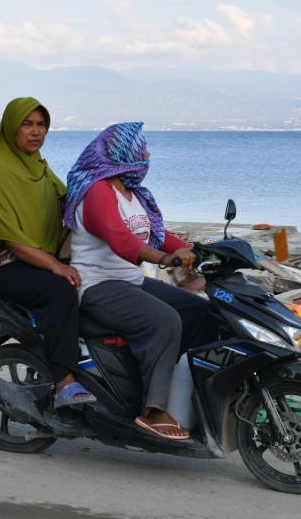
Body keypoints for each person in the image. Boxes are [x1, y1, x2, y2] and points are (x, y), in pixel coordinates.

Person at [64, 122, 218, 440]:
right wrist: (165, 259)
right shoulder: (98, 191)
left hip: (130, 281)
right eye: (141, 148)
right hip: (98, 285)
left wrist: (197, 250)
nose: (147, 154)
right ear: (123, 152)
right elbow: (121, 240)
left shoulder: (132, 192)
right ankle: (153, 410)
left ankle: (186, 391)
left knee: (201, 312)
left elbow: (157, 236)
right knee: (165, 320)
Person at [0, 97, 96, 409]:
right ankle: (64, 381)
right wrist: (55, 266)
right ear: (11, 128)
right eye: (27, 124)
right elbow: (12, 240)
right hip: (3, 265)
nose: (36, 132)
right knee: (59, 290)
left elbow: (67, 201)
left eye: (41, 125)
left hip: (38, 255)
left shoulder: (40, 168)